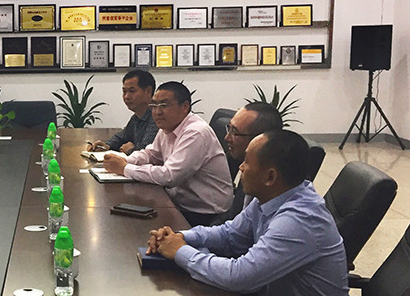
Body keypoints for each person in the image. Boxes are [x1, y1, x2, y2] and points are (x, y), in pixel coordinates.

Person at [146, 130, 358, 296]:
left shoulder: (299, 220)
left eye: (247, 162)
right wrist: (181, 237)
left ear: (270, 176)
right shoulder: (271, 197)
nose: (240, 167)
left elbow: (240, 276)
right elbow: (229, 235)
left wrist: (180, 251)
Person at [103, 81, 232, 226]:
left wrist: (125, 168)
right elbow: (150, 154)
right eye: (154, 106)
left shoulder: (195, 132)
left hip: (203, 214)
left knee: (132, 225)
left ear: (184, 107)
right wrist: (124, 160)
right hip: (179, 204)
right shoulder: (168, 127)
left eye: (164, 105)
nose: (157, 112)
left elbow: (169, 176)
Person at [213, 102, 284, 224]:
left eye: (235, 132)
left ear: (260, 139)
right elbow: (234, 222)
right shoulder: (249, 163)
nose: (227, 138)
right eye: (229, 129)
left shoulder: (274, 185)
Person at [87, 70, 158, 155]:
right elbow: (121, 137)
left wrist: (131, 149)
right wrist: (107, 145)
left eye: (132, 91)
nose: (126, 96)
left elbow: (148, 152)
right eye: (124, 91)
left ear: (148, 91)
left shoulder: (157, 117)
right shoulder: (136, 117)